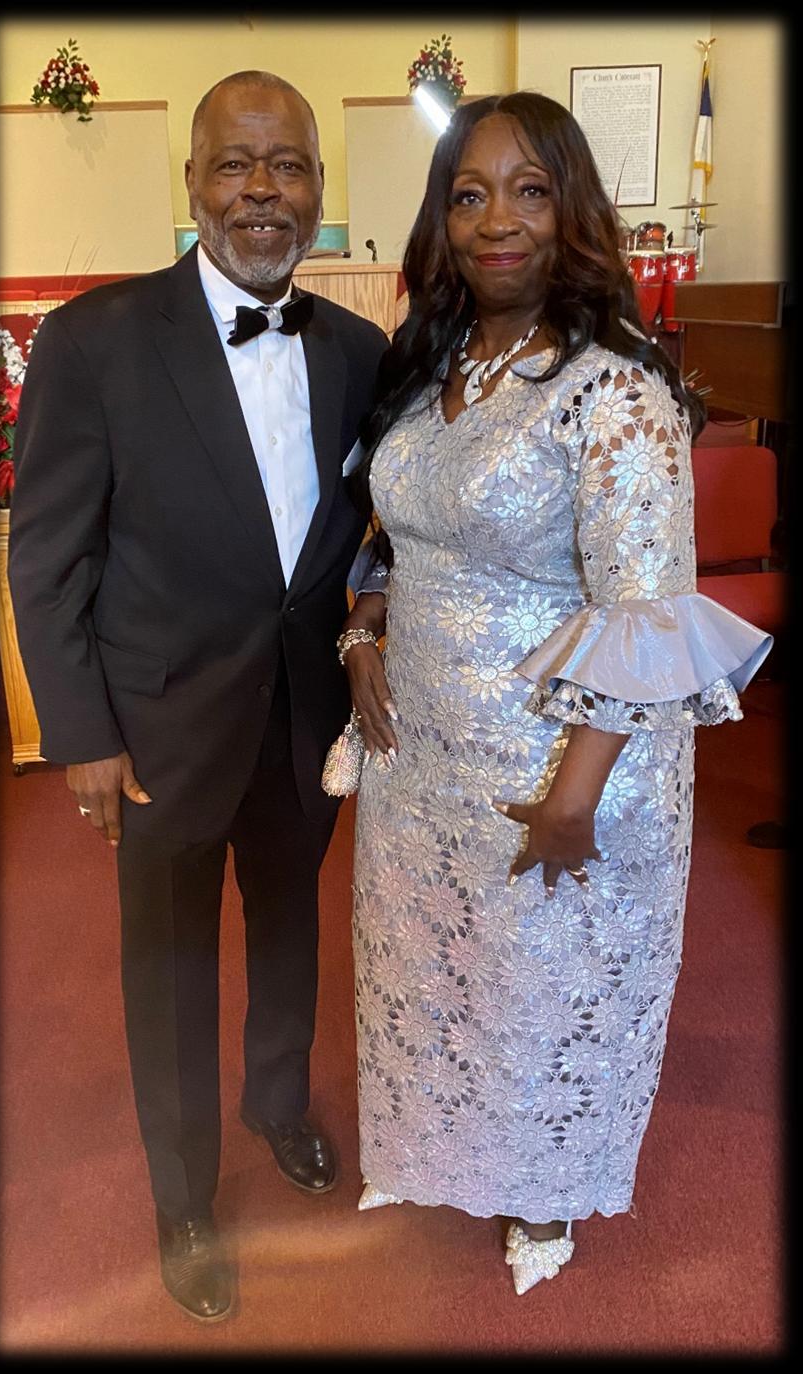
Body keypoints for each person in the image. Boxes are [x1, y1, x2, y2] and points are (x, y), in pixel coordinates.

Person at [338, 92, 772, 1295]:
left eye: (528, 191)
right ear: (440, 219)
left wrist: (573, 800)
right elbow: (392, 531)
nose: (496, 221)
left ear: (572, 209)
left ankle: (544, 1189)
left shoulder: (615, 393)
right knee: (430, 971)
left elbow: (646, 616)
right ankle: (433, 1146)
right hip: (421, 756)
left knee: (539, 991)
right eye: (468, 195)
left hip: (556, 766)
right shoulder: (431, 366)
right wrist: (359, 633)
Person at [8, 71, 387, 1322]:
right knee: (168, 968)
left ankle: (277, 1105)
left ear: (319, 189)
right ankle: (181, 1195)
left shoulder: (359, 353)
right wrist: (79, 732)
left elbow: (373, 534)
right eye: (236, 164)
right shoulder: (93, 342)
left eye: (289, 166)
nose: (262, 191)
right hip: (159, 728)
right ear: (193, 182)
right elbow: (48, 557)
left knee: (288, 930)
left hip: (302, 719)